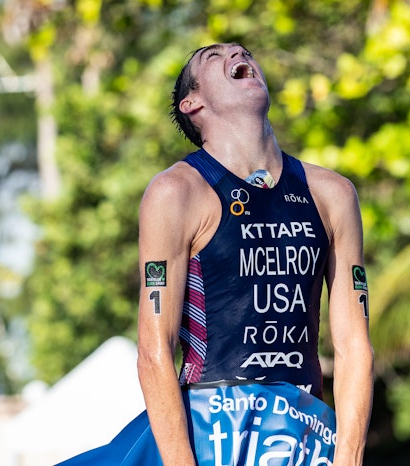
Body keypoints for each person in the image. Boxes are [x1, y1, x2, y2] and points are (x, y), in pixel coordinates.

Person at [135, 42, 373, 466]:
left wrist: (348, 459)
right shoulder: (176, 193)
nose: (237, 54)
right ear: (193, 103)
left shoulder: (332, 194)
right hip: (211, 436)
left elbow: (355, 346)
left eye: (243, 51)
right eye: (214, 57)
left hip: (301, 436)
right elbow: (155, 351)